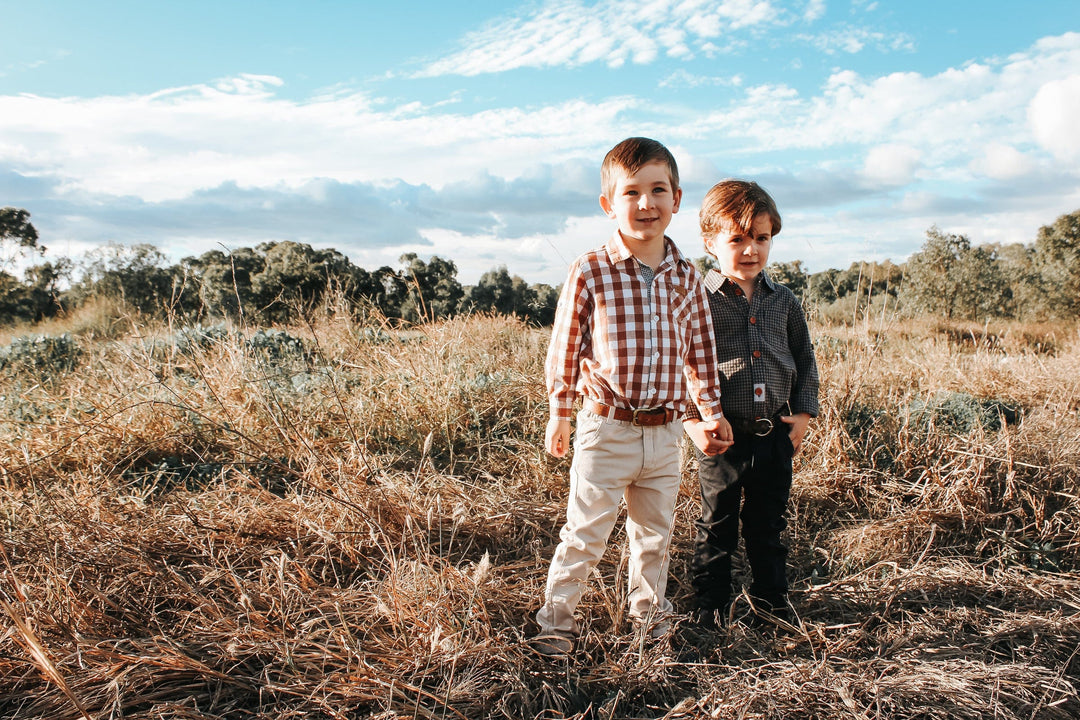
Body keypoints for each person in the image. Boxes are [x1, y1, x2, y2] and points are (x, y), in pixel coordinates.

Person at [532, 137, 732, 656]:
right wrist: (560, 413)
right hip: (607, 427)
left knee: (654, 535)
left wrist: (709, 411)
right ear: (609, 204)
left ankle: (649, 621)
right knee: (586, 533)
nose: (646, 204)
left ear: (677, 198)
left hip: (665, 433)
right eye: (632, 192)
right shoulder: (592, 269)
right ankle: (556, 621)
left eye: (658, 190)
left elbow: (700, 352)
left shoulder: (688, 276)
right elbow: (566, 345)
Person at [682, 179, 819, 629]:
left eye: (761, 238)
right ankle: (710, 608)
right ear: (709, 242)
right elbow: (680, 363)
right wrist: (692, 421)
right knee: (717, 525)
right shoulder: (697, 301)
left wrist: (802, 413)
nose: (750, 250)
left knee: (768, 526)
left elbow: (804, 356)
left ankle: (772, 606)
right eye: (737, 238)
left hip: (773, 434)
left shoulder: (784, 301)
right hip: (723, 435)